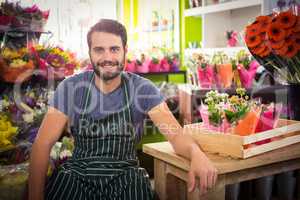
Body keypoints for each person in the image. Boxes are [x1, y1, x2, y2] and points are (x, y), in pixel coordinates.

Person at [28, 19, 218, 200]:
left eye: (114, 49)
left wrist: (196, 154)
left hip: (127, 178)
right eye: (99, 50)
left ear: (125, 51)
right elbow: (42, 144)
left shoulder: (143, 89)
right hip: (77, 176)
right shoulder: (70, 88)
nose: (107, 57)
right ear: (90, 52)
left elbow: (176, 136)